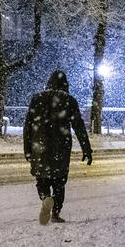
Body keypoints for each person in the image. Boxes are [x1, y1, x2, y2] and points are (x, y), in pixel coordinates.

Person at [23, 70, 93, 225]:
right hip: (61, 148)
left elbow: (27, 126)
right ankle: (55, 212)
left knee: (41, 179)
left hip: (39, 146)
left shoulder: (37, 99)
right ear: (65, 84)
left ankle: (45, 197)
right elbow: (79, 127)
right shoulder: (69, 101)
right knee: (59, 182)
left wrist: (27, 149)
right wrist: (86, 149)